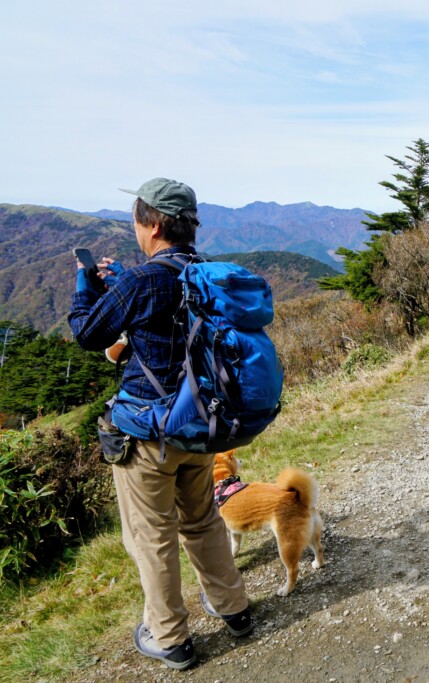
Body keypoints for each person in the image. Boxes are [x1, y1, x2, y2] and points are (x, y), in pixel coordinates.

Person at [68, 178, 253, 670]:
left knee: (151, 534)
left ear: (150, 224)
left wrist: (86, 287)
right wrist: (126, 283)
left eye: (135, 222)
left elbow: (87, 332)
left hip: (148, 433)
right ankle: (232, 607)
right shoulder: (203, 270)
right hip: (200, 426)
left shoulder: (142, 281)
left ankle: (169, 637)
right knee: (201, 519)